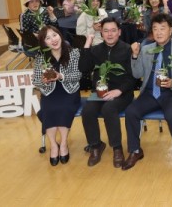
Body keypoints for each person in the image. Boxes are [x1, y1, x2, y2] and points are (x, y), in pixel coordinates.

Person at [124, 13, 172, 172]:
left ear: (171, 30)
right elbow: (137, 74)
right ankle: (135, 150)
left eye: (162, 28)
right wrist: (135, 56)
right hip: (150, 93)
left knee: (171, 114)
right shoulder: (146, 49)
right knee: (131, 111)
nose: (158, 32)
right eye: (155, 29)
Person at [79, 17, 136, 168]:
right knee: (88, 111)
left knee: (108, 109)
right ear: (101, 33)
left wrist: (119, 90)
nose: (109, 34)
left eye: (113, 31)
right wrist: (87, 44)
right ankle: (96, 145)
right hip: (99, 92)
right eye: (106, 31)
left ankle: (117, 148)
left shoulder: (127, 49)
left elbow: (134, 77)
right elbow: (84, 68)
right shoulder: (96, 50)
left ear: (119, 32)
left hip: (122, 93)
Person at [32, 26, 81, 166]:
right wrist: (42, 80)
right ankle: (54, 145)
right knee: (48, 109)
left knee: (64, 108)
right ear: (44, 43)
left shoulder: (74, 53)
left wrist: (60, 76)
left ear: (60, 35)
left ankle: (64, 143)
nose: (53, 39)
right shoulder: (41, 57)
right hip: (49, 90)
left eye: (55, 35)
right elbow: (35, 80)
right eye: (48, 38)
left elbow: (78, 75)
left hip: (69, 89)